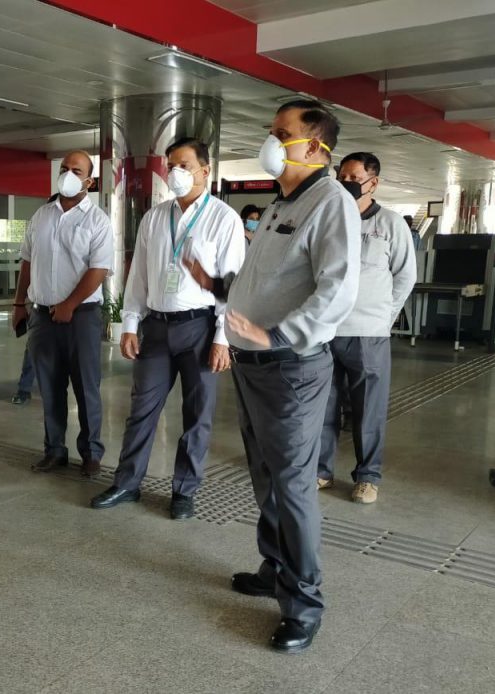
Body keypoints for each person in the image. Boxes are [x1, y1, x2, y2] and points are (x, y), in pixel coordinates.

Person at [193, 100, 360, 654]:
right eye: (271, 132)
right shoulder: (277, 206)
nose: (271, 141)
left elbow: (337, 289)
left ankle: (304, 603)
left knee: (290, 486)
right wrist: (218, 287)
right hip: (251, 366)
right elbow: (260, 281)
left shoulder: (330, 202)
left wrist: (281, 335)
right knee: (265, 474)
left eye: (281, 133)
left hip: (290, 367)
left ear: (315, 146)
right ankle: (274, 569)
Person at [90, 137, 245, 519]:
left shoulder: (224, 219)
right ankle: (127, 483)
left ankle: (184, 491)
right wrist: (129, 323)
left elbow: (232, 283)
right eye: (171, 165)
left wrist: (223, 338)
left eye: (184, 165)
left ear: (205, 171)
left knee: (198, 414)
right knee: (142, 408)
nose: (175, 172)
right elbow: (138, 275)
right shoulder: (155, 217)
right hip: (156, 328)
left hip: (201, 327)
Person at [319, 153, 416, 503]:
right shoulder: (329, 218)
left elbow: (405, 275)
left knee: (367, 410)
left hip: (368, 335)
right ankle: (320, 470)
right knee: (324, 406)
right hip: (327, 332)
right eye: (340, 174)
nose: (345, 181)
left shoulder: (390, 223)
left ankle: (367, 476)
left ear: (372, 183)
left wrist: (383, 319)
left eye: (353, 176)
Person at [12, 151, 114, 477]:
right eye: (64, 168)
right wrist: (18, 305)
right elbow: (27, 262)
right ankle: (54, 450)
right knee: (51, 387)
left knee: (87, 388)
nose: (68, 174)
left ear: (90, 180)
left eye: (76, 170)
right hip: (43, 316)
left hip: (81, 317)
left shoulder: (97, 220)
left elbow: (98, 270)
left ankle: (91, 453)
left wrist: (69, 304)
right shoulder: (41, 216)